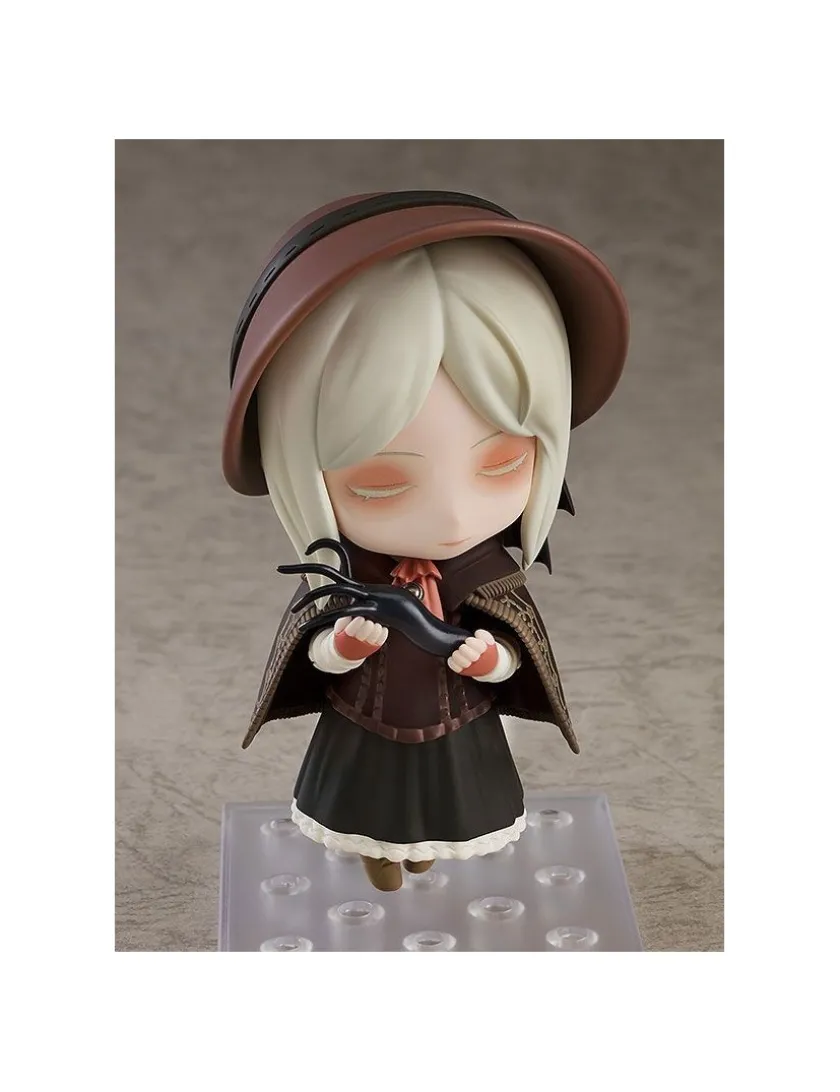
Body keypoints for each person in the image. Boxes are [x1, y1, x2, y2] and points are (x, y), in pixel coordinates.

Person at [222, 192, 628, 891]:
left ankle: (427, 849)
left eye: (501, 466)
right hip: (364, 722)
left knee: (449, 802)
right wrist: (341, 648)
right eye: (381, 486)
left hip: (458, 724)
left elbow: (518, 651)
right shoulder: (347, 576)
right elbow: (311, 645)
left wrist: (492, 660)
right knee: (364, 799)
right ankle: (378, 853)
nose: (452, 517)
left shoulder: (486, 575)